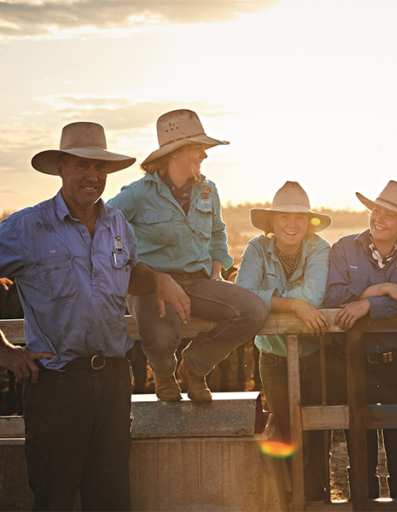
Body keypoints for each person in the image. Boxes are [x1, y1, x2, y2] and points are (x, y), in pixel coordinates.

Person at [0, 122, 190, 510]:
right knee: (55, 500)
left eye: (100, 168)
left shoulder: (117, 222)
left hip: (114, 382)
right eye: (82, 166)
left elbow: (128, 274)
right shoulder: (27, 227)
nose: (93, 177)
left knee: (112, 498)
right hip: (57, 385)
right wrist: (4, 351)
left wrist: (157, 279)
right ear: (61, 168)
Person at [109, 109, 268, 403]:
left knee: (254, 310)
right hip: (152, 285)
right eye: (198, 148)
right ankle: (164, 374)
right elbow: (105, 228)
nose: (204, 156)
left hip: (197, 281)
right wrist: (130, 268)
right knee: (160, 337)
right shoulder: (136, 194)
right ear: (176, 153)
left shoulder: (208, 189)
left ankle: (193, 367)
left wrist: (217, 271)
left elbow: (218, 233)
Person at [323, 180, 397, 499]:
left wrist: (366, 305)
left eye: (389, 214)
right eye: (376, 209)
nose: (379, 217)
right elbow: (332, 296)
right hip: (353, 363)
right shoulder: (344, 247)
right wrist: (382, 290)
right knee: (360, 454)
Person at [234, 181, 335, 502]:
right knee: (284, 433)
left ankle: (316, 501)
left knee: (318, 436)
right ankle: (290, 503)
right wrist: (293, 305)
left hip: (315, 357)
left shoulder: (320, 249)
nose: (292, 225)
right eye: (284, 218)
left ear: (308, 224)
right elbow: (243, 296)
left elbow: (315, 294)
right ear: (272, 222)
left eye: (300, 219)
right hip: (274, 359)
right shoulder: (255, 249)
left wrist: (275, 301)